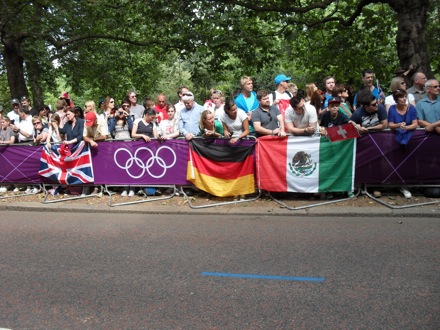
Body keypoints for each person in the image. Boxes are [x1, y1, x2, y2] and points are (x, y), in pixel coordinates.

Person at [388, 89, 419, 199]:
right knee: (398, 162)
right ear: (396, 99)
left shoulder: (411, 108)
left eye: (405, 96)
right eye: (401, 97)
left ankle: (411, 184)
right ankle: (400, 184)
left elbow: (415, 124)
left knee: (411, 161)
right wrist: (398, 125)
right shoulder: (392, 109)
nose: (404, 98)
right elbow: (390, 124)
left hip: (411, 138)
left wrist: (406, 127)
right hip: (396, 139)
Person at [131, 108, 160, 196]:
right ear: (146, 115)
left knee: (151, 168)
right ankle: (140, 188)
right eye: (152, 117)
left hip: (150, 151)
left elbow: (155, 136)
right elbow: (133, 134)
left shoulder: (153, 124)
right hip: (139, 150)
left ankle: (152, 188)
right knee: (139, 168)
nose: (153, 119)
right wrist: (142, 135)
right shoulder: (138, 121)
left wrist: (159, 137)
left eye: (154, 117)